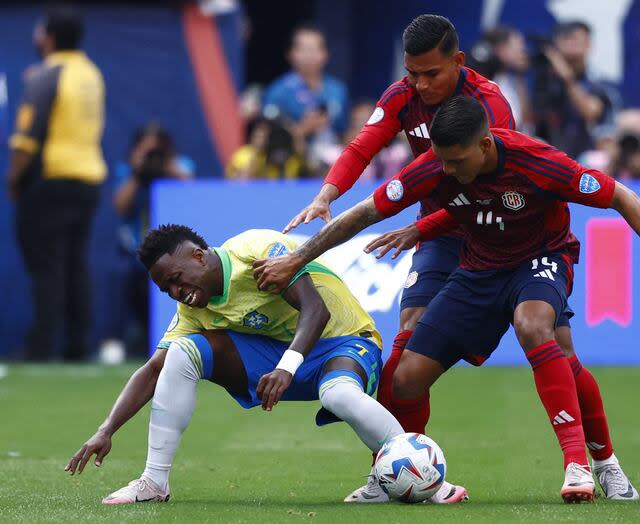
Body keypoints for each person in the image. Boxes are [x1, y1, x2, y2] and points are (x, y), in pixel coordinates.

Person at [253, 96, 640, 502]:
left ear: (486, 144)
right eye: (442, 161)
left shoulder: (539, 161)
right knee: (406, 378)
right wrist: (298, 258)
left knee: (536, 327)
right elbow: (365, 213)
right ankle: (396, 470)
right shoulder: (436, 164)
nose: (447, 171)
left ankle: (586, 464)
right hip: (478, 269)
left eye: (456, 161)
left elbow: (623, 197)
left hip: (541, 257)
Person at [283, 14, 514, 503]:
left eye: (431, 74)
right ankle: (390, 472)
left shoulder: (490, 104)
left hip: (495, 235)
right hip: (438, 233)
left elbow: (492, 186)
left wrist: (416, 226)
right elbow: (363, 146)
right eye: (412, 74)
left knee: (550, 338)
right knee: (405, 345)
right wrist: (327, 195)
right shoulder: (401, 96)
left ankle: (591, 462)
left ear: (458, 62)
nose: (420, 84)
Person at [65, 225, 409, 505]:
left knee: (339, 396)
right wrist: (107, 428)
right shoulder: (192, 309)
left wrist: (286, 367)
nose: (175, 291)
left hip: (344, 341)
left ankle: (413, 469)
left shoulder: (256, 249)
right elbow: (154, 369)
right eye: (165, 288)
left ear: (198, 256)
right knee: (182, 351)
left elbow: (316, 310)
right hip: (280, 362)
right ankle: (154, 482)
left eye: (176, 277)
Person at [6, 8, 106, 361]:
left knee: (47, 265)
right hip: (89, 179)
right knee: (75, 265)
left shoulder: (47, 74)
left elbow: (26, 139)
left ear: (47, 36)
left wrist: (14, 177)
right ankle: (78, 345)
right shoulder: (92, 74)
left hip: (50, 180)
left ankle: (42, 347)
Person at [113, 123, 195, 356]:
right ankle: (127, 340)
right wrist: (139, 173)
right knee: (127, 279)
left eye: (156, 151)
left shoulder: (180, 165)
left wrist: (167, 167)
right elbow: (121, 205)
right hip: (134, 251)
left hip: (174, 250)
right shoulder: (127, 172)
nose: (152, 157)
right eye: (145, 151)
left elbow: (193, 190)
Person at [262, 23, 348, 171]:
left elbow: (344, 131)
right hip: (290, 163)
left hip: (332, 164)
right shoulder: (278, 90)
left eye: (314, 49)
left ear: (325, 54)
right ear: (290, 53)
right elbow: (266, 134)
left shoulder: (338, 90)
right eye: (303, 49)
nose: (309, 55)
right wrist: (302, 129)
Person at [532, 21, 616, 157]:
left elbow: (590, 112)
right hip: (547, 156)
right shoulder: (545, 78)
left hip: (585, 158)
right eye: (565, 38)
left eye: (575, 39)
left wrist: (566, 77)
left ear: (588, 44)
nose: (570, 44)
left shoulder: (597, 81)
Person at [580, 109, 640, 185]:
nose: (629, 147)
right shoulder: (590, 162)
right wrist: (612, 166)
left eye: (636, 140)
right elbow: (585, 193)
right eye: (626, 136)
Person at [467, 26, 532, 133]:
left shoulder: (508, 78)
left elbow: (522, 122)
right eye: (519, 48)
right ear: (502, 50)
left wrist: (521, 75)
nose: (523, 54)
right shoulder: (482, 80)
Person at [226, 116, 307, 180]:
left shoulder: (288, 157)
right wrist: (256, 154)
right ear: (252, 136)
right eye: (260, 136)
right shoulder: (244, 154)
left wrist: (296, 138)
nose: (264, 140)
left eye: (267, 136)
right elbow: (241, 183)